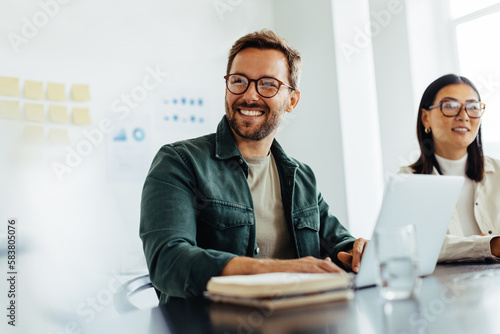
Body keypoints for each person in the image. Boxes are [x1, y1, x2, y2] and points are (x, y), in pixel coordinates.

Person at [140, 29, 367, 303]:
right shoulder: (179, 162)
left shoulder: (301, 177)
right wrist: (272, 270)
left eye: (268, 84)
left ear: (292, 101)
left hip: (300, 320)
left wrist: (358, 250)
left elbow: (338, 243)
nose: (250, 95)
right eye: (239, 81)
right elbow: (168, 262)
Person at [401, 74, 500, 262]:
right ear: (425, 118)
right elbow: (417, 245)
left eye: (472, 107)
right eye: (450, 106)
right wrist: (490, 245)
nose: (463, 116)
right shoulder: (408, 181)